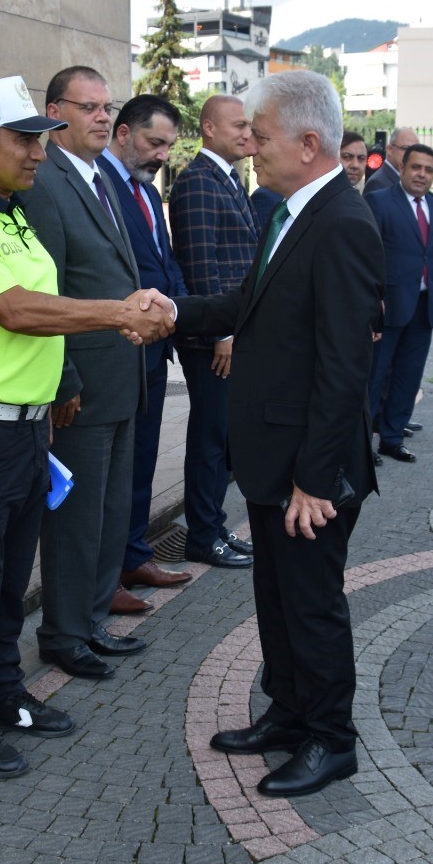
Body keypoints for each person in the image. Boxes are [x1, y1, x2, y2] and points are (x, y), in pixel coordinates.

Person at [0, 76, 174, 777]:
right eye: (24, 139)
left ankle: (3, 694)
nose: (37, 152)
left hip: (29, 431)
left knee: (7, 582)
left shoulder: (14, 213)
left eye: (39, 138)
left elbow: (50, 304)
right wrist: (120, 312)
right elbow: (18, 310)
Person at [174, 70, 384, 797]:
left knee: (313, 605)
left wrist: (314, 479)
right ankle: (289, 714)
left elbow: (343, 366)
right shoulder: (287, 210)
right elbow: (246, 302)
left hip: (309, 472)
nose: (251, 151)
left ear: (307, 141)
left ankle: (332, 739)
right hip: (273, 456)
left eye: (259, 139)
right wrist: (173, 314)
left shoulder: (344, 224)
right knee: (277, 597)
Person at [17, 66, 151, 680]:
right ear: (55, 111)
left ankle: (92, 620)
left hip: (122, 376)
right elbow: (50, 290)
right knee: (75, 519)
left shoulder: (101, 179)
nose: (102, 117)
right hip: (82, 385)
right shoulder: (46, 183)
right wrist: (64, 378)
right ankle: (64, 633)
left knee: (109, 511)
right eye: (88, 106)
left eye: (107, 106)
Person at [99, 94, 195, 601]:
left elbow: (163, 260)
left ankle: (134, 557)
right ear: (123, 133)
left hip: (154, 351)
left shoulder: (143, 190)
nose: (162, 155)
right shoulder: (101, 184)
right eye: (154, 142)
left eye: (168, 146)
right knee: (114, 469)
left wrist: (183, 314)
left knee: (142, 457)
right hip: (118, 348)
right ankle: (107, 574)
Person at [169, 94, 259, 571]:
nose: (248, 133)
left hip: (230, 335)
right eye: (239, 125)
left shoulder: (227, 177)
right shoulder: (199, 183)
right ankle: (202, 535)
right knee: (210, 438)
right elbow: (201, 267)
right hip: (212, 341)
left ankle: (214, 523)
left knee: (223, 439)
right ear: (208, 128)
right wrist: (222, 333)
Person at [364, 144, 433, 464]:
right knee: (374, 378)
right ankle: (361, 443)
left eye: (428, 170)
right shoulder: (378, 201)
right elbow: (370, 256)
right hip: (388, 307)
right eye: (416, 168)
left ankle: (392, 439)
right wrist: (374, 299)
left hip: (425, 307)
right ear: (403, 168)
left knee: (409, 376)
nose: (422, 174)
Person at [364, 126, 418, 192]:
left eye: (415, 150)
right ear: (390, 149)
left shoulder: (409, 180)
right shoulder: (377, 183)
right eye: (405, 149)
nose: (411, 155)